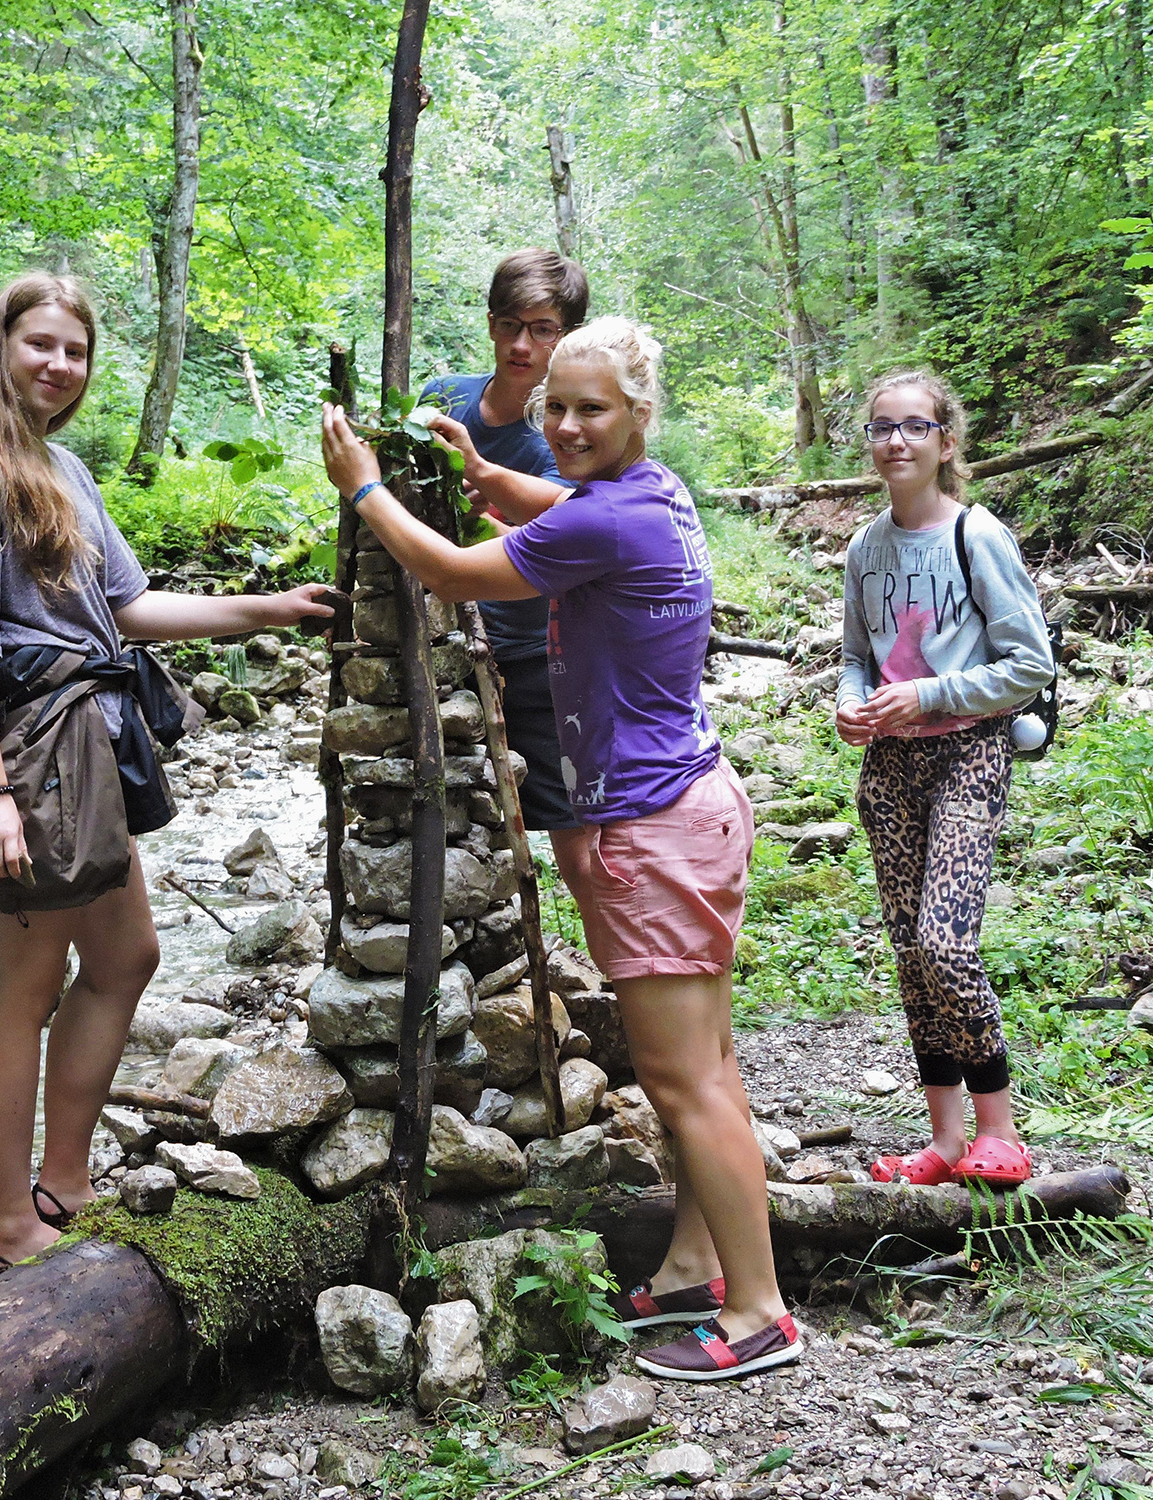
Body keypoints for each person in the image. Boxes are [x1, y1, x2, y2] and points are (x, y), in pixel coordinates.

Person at [322, 317, 799, 1382]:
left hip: (649, 829)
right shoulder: (648, 495)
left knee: (687, 1085)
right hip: (681, 809)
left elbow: (447, 569)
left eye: (592, 408)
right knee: (703, 1069)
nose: (570, 425)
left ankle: (760, 1312)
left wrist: (364, 486)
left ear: (637, 412)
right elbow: (561, 510)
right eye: (556, 408)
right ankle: (691, 1266)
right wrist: (489, 473)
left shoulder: (612, 523)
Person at [0, 272, 333, 1276]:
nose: (58, 364)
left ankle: (65, 1179)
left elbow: (129, 610)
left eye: (76, 350)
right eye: (40, 343)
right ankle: (6, 1225)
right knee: (19, 984)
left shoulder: (61, 467)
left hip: (87, 750)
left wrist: (269, 607)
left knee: (126, 956)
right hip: (23, 746)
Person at [836, 370, 1053, 1187]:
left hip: (970, 751)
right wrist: (850, 705)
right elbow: (857, 655)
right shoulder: (865, 546)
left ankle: (1002, 1130)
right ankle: (946, 1143)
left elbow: (1029, 664)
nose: (896, 440)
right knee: (908, 952)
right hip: (890, 763)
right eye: (882, 427)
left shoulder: (978, 536)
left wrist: (927, 693)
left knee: (944, 941)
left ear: (946, 442)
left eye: (915, 427)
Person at [415, 249, 591, 896]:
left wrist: (469, 506)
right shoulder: (441, 400)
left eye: (543, 329)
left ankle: (626, 974)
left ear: (566, 337)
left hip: (538, 658)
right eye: (510, 324)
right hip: (444, 650)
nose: (523, 344)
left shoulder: (567, 436)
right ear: (490, 324)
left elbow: (546, 544)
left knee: (575, 840)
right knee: (456, 825)